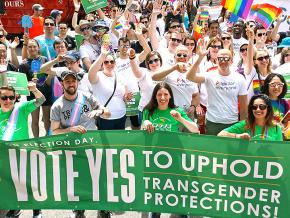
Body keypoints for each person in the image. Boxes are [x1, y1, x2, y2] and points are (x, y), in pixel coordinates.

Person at [50, 70, 110, 218]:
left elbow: (108, 113)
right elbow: (55, 130)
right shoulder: (57, 106)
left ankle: (102, 208)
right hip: (72, 148)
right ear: (62, 84)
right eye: (67, 81)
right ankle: (78, 209)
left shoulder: (88, 97)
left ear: (77, 82)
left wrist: (100, 111)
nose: (71, 84)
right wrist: (71, 129)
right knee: (76, 179)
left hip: (93, 144)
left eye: (73, 81)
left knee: (99, 176)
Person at [1, 83, 45, 218]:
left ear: (15, 97)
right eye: (3, 98)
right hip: (4, 156)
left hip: (22, 154)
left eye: (11, 97)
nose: (8, 101)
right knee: (9, 184)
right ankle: (14, 208)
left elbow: (41, 100)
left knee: (29, 183)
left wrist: (34, 89)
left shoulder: (22, 109)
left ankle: (36, 210)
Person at [187, 48, 248, 135]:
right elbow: (190, 77)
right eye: (220, 58)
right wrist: (200, 58)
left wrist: (242, 126)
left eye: (226, 58)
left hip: (232, 123)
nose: (223, 61)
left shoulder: (239, 78)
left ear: (231, 61)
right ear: (216, 60)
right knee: (213, 148)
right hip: (212, 122)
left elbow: (243, 106)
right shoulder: (209, 75)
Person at [88, 45, 127, 130]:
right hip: (105, 118)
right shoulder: (98, 76)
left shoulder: (120, 76)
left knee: (119, 143)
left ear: (115, 63)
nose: (109, 64)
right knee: (107, 143)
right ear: (102, 64)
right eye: (106, 62)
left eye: (112, 62)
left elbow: (123, 97)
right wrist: (102, 55)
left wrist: (126, 97)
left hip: (121, 116)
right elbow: (91, 73)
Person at [19, 38, 51, 137]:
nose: (32, 49)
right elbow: (22, 82)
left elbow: (50, 73)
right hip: (33, 96)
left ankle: (48, 138)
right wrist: (29, 83)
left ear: (38, 48)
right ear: (27, 48)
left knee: (47, 119)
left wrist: (44, 79)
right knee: (35, 119)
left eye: (34, 46)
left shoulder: (44, 59)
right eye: (30, 47)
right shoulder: (23, 64)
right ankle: (36, 141)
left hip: (46, 93)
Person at [218, 94, 283, 141]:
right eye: (254, 107)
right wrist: (238, 136)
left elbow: (279, 150)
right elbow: (220, 134)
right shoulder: (245, 124)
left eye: (262, 107)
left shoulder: (276, 128)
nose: (258, 109)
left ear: (268, 109)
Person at [261, 73, 289, 139]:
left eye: (280, 85)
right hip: (264, 136)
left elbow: (286, 121)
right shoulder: (261, 101)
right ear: (267, 85)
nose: (276, 87)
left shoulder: (284, 103)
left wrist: (284, 126)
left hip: (279, 137)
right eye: (273, 84)